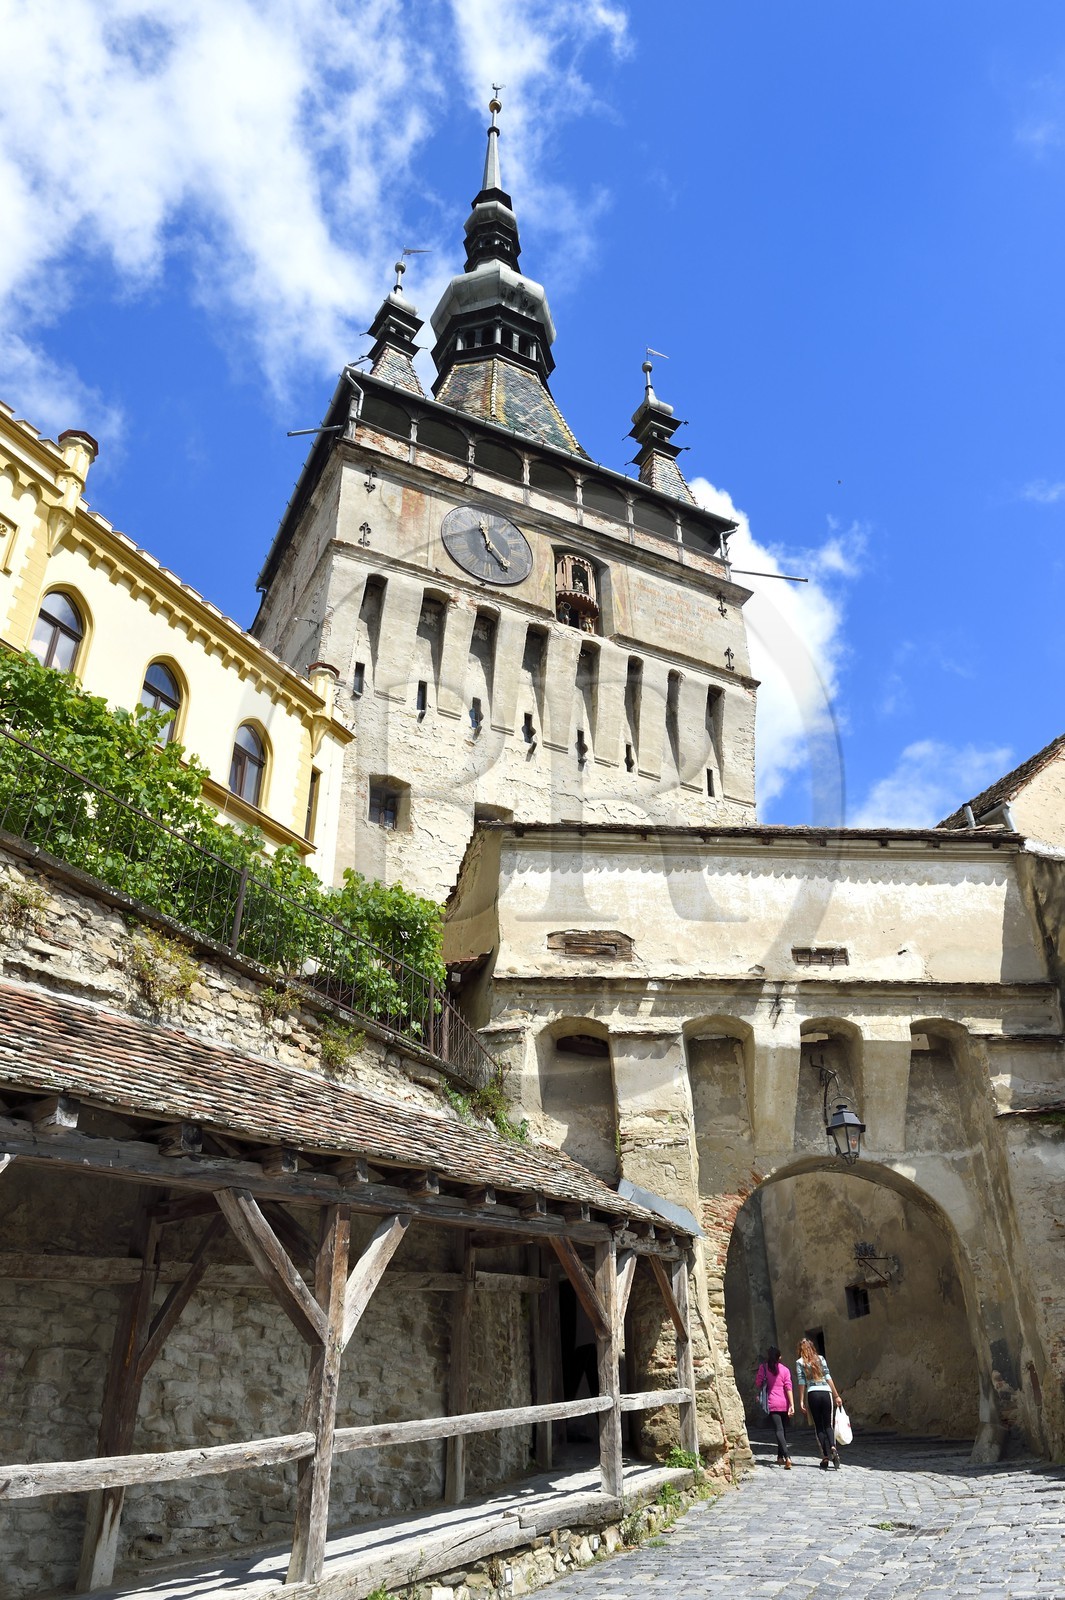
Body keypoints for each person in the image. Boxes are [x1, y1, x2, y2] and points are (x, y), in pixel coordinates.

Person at [796, 1337, 844, 1470]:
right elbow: (828, 1377)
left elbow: (801, 1382)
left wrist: (800, 1401)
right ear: (812, 1347)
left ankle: (825, 1457)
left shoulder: (800, 1362)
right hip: (826, 1392)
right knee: (829, 1424)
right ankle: (833, 1447)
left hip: (813, 1393)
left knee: (819, 1427)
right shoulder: (821, 1359)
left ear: (800, 1349)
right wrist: (836, 1395)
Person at [755, 1346, 794, 1468]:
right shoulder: (785, 1370)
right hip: (784, 1403)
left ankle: (787, 1456)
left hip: (772, 1403)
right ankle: (780, 1457)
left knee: (778, 1430)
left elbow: (758, 1383)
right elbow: (788, 1387)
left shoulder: (764, 1368)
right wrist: (792, 1404)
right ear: (780, 1357)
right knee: (782, 1430)